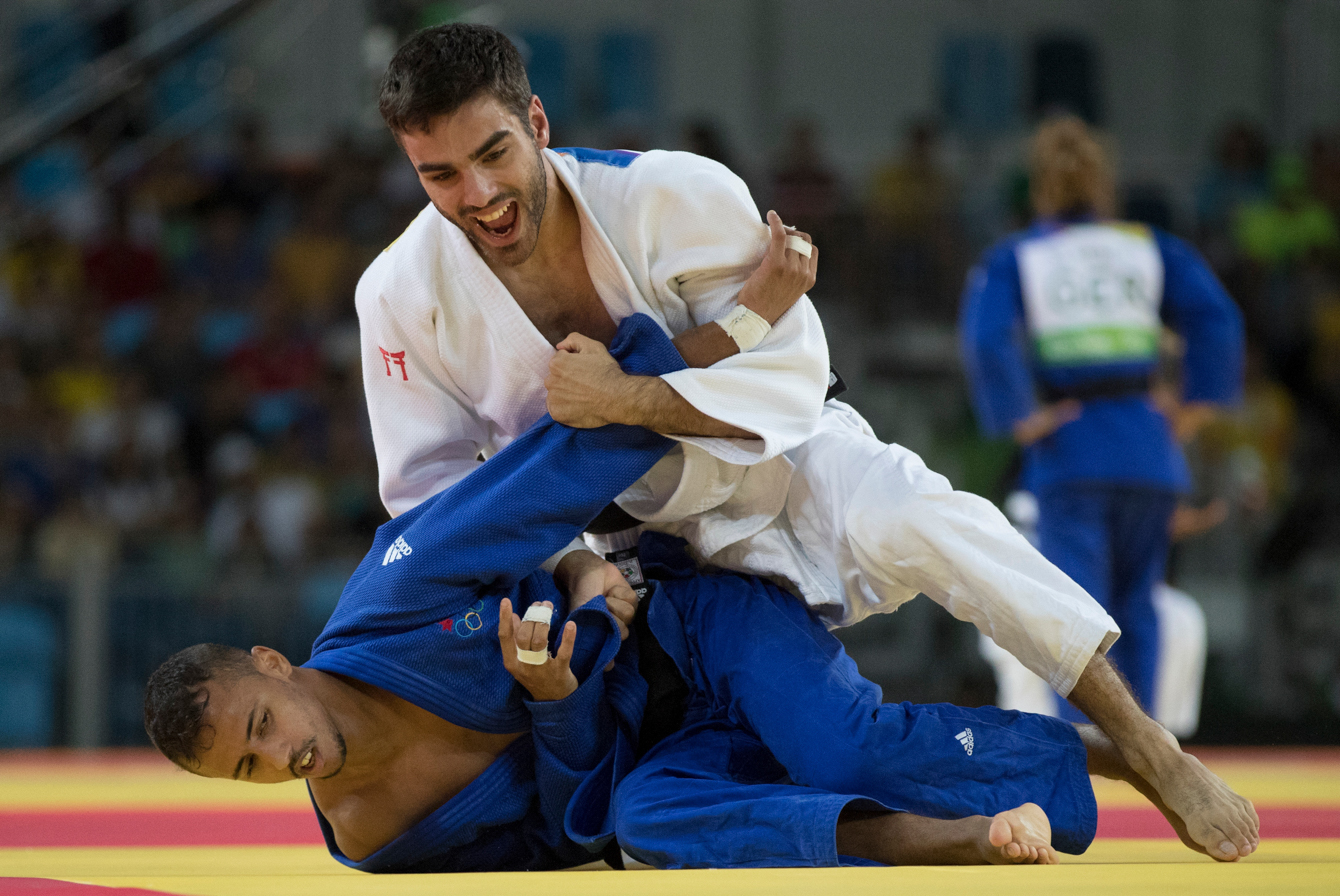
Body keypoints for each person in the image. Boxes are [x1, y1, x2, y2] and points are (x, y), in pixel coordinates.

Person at [358, 25, 1257, 861]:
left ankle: (1149, 745)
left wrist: (625, 395)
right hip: (646, 557)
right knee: (738, 779)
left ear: (537, 122)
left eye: (493, 154)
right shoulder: (401, 294)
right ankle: (975, 808)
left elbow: (789, 382)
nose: (478, 197)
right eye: (440, 176)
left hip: (789, 464)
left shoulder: (672, 195)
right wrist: (570, 568)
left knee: (932, 521)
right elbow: (436, 502)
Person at [143, 316, 1218, 871]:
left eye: (262, 724)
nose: (282, 758)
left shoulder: (393, 592)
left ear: (271, 664)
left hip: (693, 625)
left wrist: (662, 368)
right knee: (649, 824)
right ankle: (953, 837)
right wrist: (558, 701)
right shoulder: (371, 833)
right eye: (248, 767)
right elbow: (564, 838)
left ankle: (1100, 749)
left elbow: (530, 487)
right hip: (654, 751)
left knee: (838, 744)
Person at [959, 117, 1245, 725]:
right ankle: (1148, 757)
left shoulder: (1022, 256)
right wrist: (1192, 409)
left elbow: (986, 338)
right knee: (1139, 608)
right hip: (1148, 447)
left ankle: (1087, 751)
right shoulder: (1147, 247)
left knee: (1077, 617)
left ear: (1040, 188)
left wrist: (1021, 417)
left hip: (1072, 446)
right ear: (1104, 186)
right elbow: (1217, 318)